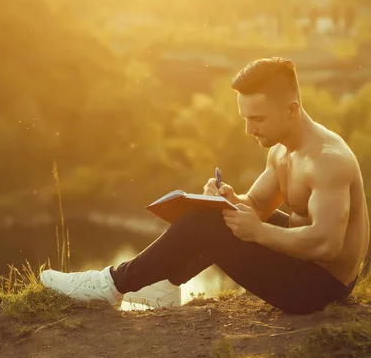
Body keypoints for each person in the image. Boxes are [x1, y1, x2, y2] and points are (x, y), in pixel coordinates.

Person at [40, 57, 370, 315]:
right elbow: (255, 205)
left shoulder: (328, 160)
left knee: (204, 226)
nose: (248, 129)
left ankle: (109, 285)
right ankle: (163, 288)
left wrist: (257, 232)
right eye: (245, 118)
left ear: (291, 109)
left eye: (257, 119)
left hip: (320, 288)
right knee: (215, 212)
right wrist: (227, 198)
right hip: (302, 262)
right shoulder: (282, 150)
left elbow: (327, 246)